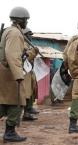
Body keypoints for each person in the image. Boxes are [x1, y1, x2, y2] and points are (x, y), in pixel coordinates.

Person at [0, 6, 30, 142]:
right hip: (10, 73)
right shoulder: (14, 33)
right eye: (26, 20)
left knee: (5, 102)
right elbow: (12, 55)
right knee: (17, 101)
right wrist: (19, 75)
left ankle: (10, 131)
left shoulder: (10, 31)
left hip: (7, 72)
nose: (27, 22)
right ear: (20, 20)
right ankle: (10, 132)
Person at [22, 28, 39, 121]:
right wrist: (33, 52)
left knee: (32, 92)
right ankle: (26, 112)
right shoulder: (22, 44)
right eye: (29, 35)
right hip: (24, 72)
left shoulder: (28, 45)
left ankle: (28, 110)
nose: (30, 36)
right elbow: (25, 58)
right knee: (26, 94)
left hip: (30, 71)